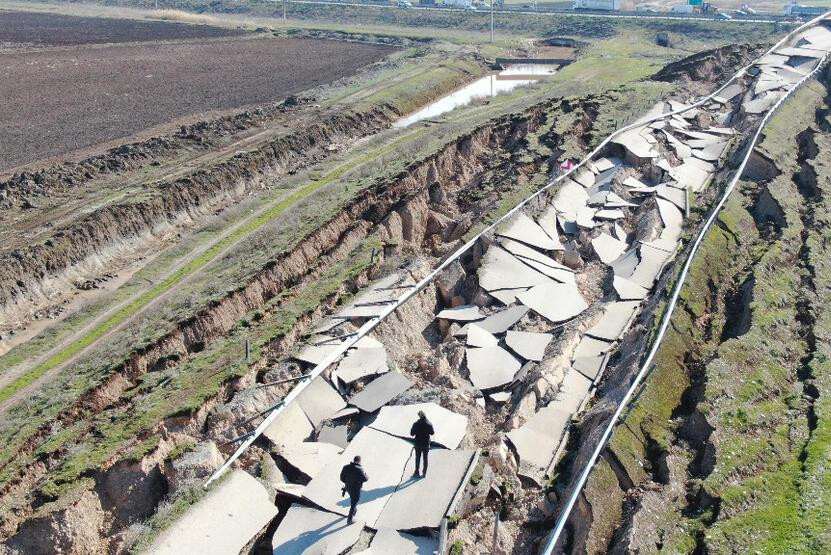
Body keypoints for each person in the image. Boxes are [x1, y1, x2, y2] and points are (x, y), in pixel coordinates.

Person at [339, 455, 368, 524]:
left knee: (353, 500)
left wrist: (347, 482)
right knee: (354, 503)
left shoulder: (346, 467)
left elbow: (341, 478)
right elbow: (365, 479)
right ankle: (350, 519)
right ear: (359, 461)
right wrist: (366, 475)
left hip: (348, 487)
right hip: (356, 489)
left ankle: (354, 511)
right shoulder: (359, 469)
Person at [410, 410, 435, 478]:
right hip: (426, 443)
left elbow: (412, 434)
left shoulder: (415, 424)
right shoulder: (429, 423)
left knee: (417, 458)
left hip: (418, 443)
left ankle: (416, 472)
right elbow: (432, 433)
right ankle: (424, 473)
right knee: (425, 458)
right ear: (425, 415)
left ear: (419, 416)